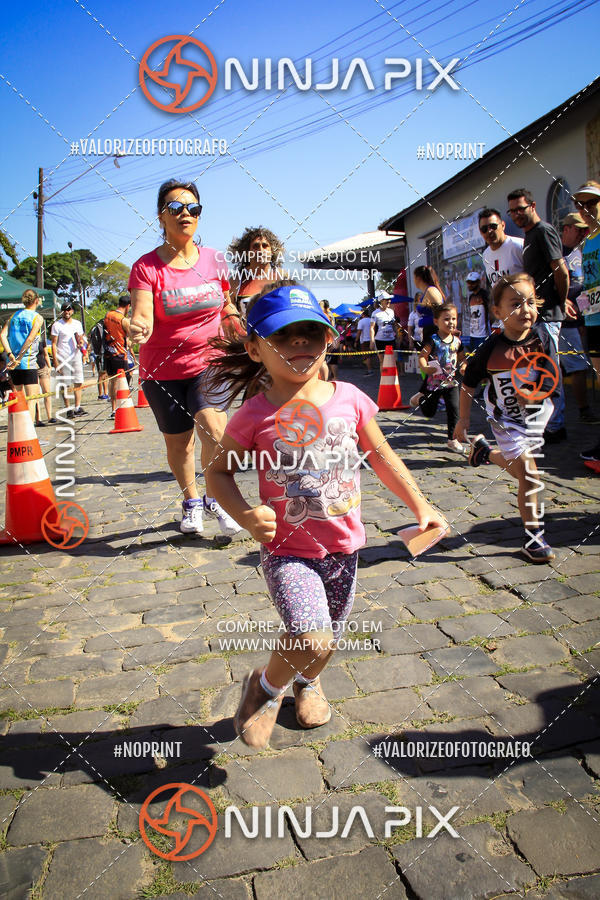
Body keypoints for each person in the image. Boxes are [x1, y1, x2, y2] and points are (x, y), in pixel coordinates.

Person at [204, 281, 447, 749]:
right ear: (255, 349)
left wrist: (422, 506)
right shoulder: (253, 415)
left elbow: (381, 456)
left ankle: (307, 683)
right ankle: (265, 689)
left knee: (326, 640)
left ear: (328, 339)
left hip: (344, 548)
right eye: (284, 335)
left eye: (310, 334)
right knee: (310, 635)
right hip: (287, 552)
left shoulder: (350, 398)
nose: (300, 343)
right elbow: (217, 475)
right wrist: (246, 516)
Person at [128, 178, 241, 536]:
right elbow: (142, 311)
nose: (185, 214)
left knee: (215, 428)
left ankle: (217, 498)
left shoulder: (214, 260)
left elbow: (225, 305)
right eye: (176, 208)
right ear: (161, 216)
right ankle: (192, 501)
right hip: (161, 370)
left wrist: (236, 322)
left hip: (208, 363)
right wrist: (138, 327)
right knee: (179, 442)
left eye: (193, 208)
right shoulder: (146, 267)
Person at [455, 274, 558, 563]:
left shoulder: (543, 340)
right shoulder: (490, 347)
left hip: (536, 421)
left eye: (530, 302)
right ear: (497, 312)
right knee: (530, 474)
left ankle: (485, 453)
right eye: (516, 304)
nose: (526, 310)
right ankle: (534, 539)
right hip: (506, 421)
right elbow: (468, 383)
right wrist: (463, 420)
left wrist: (536, 395)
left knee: (520, 471)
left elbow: (554, 383)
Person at [507, 188, 569, 442]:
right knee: (540, 368)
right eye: (512, 211)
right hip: (538, 316)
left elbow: (561, 271)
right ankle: (547, 423)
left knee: (549, 369)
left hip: (549, 315)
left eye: (521, 209)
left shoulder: (543, 231)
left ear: (532, 205)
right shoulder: (530, 236)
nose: (517, 214)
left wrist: (560, 303)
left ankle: (556, 426)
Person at [409, 302, 466, 453]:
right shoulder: (432, 340)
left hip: (451, 383)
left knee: (454, 410)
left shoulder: (457, 341)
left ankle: (452, 440)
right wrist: (425, 367)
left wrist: (465, 366)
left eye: (454, 319)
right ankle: (420, 398)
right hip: (433, 384)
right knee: (429, 412)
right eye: (447, 319)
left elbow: (462, 358)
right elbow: (423, 356)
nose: (451, 322)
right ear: (436, 321)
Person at [573, 180, 600, 470]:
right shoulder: (588, 241)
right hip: (593, 319)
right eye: (581, 204)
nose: (587, 209)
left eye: (592, 203)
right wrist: (579, 302)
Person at [558, 212, 595, 422]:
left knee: (579, 366)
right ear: (567, 228)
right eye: (579, 229)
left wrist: (583, 317)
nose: (583, 234)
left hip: (581, 320)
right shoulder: (557, 254)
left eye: (585, 230)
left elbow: (582, 289)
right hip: (563, 323)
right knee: (577, 367)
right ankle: (583, 409)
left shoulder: (580, 252)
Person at [0, 289, 45, 419]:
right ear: (36, 300)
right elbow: (30, 339)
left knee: (20, 399)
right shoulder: (37, 317)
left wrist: (10, 354)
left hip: (13, 363)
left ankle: (20, 432)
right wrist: (19, 357)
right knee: (32, 399)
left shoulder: (13, 316)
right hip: (27, 362)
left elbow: (2, 335)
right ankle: (29, 435)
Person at [228, 226, 285, 321]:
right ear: (246, 252)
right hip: (246, 334)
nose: (261, 250)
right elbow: (227, 314)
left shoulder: (282, 277)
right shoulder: (236, 281)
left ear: (272, 251)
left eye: (265, 246)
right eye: (256, 246)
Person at [50, 301, 87, 418]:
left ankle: (77, 407)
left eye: (69, 309)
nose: (67, 312)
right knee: (66, 383)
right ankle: (68, 408)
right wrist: (55, 361)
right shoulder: (57, 325)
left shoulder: (77, 324)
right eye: (64, 309)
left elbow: (81, 338)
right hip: (63, 357)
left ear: (72, 311)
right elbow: (54, 344)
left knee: (78, 381)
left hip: (76, 355)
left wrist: (81, 344)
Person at [104, 295, 136, 416]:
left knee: (112, 381)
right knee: (123, 381)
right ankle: (122, 407)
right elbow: (131, 338)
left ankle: (113, 409)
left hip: (108, 353)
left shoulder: (108, 315)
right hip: (120, 355)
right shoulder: (124, 320)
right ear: (128, 306)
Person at [479, 207, 524, 289]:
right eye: (484, 229)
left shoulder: (519, 246)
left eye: (493, 226)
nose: (489, 231)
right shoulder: (485, 255)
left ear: (503, 225)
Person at [413, 265, 445, 343]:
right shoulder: (426, 292)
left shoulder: (431, 291)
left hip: (435, 334)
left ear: (418, 278)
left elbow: (442, 312)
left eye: (414, 277)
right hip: (428, 332)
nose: (413, 280)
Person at [35, 327, 56, 426]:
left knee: (46, 392)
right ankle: (38, 418)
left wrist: (49, 366)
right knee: (35, 395)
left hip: (42, 367)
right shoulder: (25, 340)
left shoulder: (41, 340)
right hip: (31, 369)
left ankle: (49, 416)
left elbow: (46, 354)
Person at [369, 294, 398, 368]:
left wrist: (397, 336)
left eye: (389, 299)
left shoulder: (391, 311)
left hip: (391, 339)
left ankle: (393, 378)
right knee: (382, 361)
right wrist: (372, 341)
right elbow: (372, 327)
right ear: (381, 301)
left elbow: (394, 325)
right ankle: (383, 379)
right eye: (387, 299)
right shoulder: (375, 313)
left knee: (393, 360)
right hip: (380, 340)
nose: (389, 301)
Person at [465, 271, 490, 349]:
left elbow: (490, 312)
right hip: (473, 335)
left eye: (472, 282)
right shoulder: (471, 296)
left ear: (478, 282)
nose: (470, 285)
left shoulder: (484, 294)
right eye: (468, 282)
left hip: (483, 335)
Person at [356, 309, 373, 375]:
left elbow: (359, 331)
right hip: (371, 340)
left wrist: (356, 340)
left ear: (363, 314)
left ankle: (369, 370)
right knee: (370, 356)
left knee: (366, 356)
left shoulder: (361, 321)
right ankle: (370, 368)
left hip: (364, 340)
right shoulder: (371, 320)